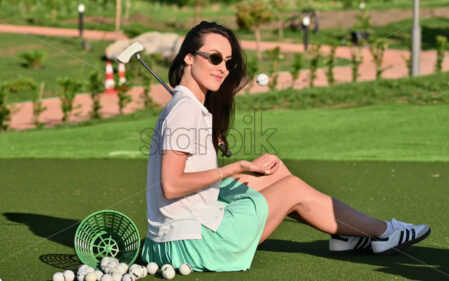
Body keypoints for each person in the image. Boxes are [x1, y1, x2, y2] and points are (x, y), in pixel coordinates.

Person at [141, 21, 430, 272]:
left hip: (170, 242)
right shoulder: (185, 111)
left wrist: (212, 147)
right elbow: (173, 185)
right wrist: (236, 167)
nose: (223, 69)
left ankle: (346, 234)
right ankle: (385, 232)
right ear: (189, 58)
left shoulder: (185, 106)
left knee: (276, 174)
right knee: (291, 188)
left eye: (228, 62)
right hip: (195, 246)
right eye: (215, 58)